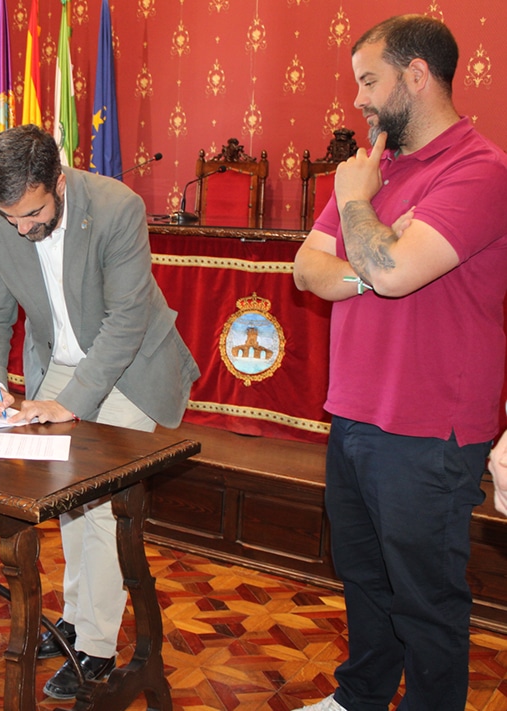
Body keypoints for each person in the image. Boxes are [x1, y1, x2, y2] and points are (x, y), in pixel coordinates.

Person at [292, 15, 507, 711]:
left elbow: (392, 270)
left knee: (424, 597)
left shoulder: (480, 170)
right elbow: (306, 269)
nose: (357, 98)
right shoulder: (372, 165)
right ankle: (360, 696)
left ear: (416, 76)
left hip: (429, 425)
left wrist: (357, 215)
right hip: (353, 410)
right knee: (362, 576)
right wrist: (374, 258)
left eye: (368, 80)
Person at [0, 124, 199, 700]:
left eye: (34, 213)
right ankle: (75, 618)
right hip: (60, 363)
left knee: (95, 504)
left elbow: (125, 324)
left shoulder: (117, 207)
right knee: (68, 504)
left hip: (127, 365)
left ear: (60, 181)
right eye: (11, 218)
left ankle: (95, 648)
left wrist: (70, 404)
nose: (22, 229)